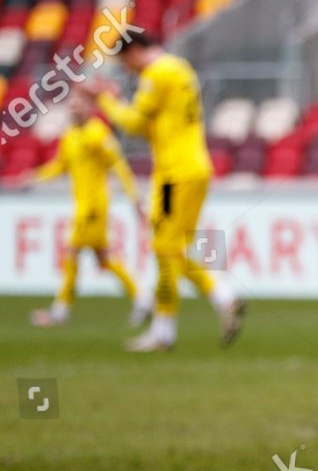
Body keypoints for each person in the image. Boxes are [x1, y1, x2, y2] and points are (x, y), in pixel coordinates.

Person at [88, 30, 246, 352]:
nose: (127, 70)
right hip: (196, 167)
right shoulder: (180, 68)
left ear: (133, 52)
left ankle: (172, 327)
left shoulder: (156, 73)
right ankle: (219, 301)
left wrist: (104, 99)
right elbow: (152, 124)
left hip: (175, 173)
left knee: (163, 248)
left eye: (125, 62)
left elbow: (131, 123)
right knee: (174, 248)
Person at [18, 91, 146, 328]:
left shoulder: (98, 133)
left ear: (89, 107)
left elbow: (118, 165)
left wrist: (134, 196)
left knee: (72, 254)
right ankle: (141, 299)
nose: (75, 107)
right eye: (72, 104)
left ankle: (60, 311)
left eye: (79, 103)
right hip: (82, 206)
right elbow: (60, 166)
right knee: (105, 259)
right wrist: (35, 177)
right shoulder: (70, 136)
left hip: (94, 207)